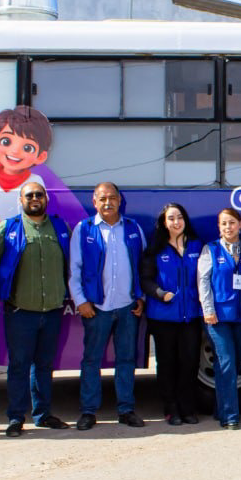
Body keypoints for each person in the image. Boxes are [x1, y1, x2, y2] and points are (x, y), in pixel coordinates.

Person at [0, 183, 72, 437]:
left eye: (39, 195)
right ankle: (15, 417)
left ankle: (43, 414)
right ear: (20, 200)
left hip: (52, 312)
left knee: (45, 366)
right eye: (30, 195)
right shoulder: (8, 228)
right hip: (20, 312)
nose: (35, 199)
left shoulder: (60, 228)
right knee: (19, 366)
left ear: (46, 198)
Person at [69, 182, 146, 430]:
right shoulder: (84, 229)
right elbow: (74, 270)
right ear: (94, 202)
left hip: (127, 306)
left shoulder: (133, 229)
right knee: (91, 360)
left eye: (112, 198)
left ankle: (126, 410)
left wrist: (141, 297)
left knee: (126, 359)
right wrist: (81, 301)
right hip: (97, 307)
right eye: (102, 199)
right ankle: (89, 411)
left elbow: (143, 267)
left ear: (120, 200)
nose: (107, 203)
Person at [140, 203, 204, 426]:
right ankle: (171, 408)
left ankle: (187, 408)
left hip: (191, 316)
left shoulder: (197, 246)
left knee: (189, 363)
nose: (176, 222)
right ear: (164, 223)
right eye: (171, 218)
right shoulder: (155, 249)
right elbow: (146, 280)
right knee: (167, 364)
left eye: (179, 217)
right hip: (163, 316)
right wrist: (160, 294)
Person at [198, 208, 241, 430]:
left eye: (232, 223)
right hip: (217, 317)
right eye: (223, 224)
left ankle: (220, 409)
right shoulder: (210, 249)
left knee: (235, 362)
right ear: (219, 227)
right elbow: (203, 281)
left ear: (240, 225)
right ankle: (230, 416)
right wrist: (208, 309)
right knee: (226, 362)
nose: (228, 227)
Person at [0, 106, 51, 224]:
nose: (15, 151)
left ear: (41, 157)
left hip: (20, 234)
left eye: (27, 148)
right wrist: (0, 231)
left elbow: (37, 211)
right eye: (6, 141)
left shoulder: (35, 181)